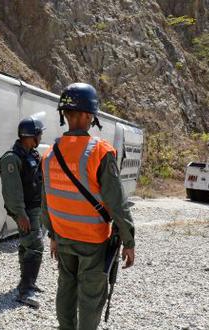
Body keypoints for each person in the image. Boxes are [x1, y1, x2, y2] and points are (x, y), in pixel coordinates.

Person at [41, 83, 135, 329]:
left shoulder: (50, 153)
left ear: (66, 114)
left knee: (66, 288)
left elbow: (46, 200)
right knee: (91, 298)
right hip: (92, 242)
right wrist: (129, 241)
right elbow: (117, 202)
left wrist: (52, 234)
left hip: (63, 237)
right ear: (87, 115)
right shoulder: (100, 152)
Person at [0, 116, 47, 308]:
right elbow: (12, 191)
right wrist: (20, 214)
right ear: (31, 136)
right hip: (25, 211)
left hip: (35, 208)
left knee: (28, 245)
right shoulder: (12, 158)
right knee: (35, 246)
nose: (41, 137)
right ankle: (25, 291)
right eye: (39, 134)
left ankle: (27, 283)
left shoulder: (32, 155)